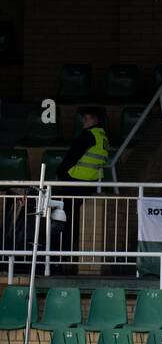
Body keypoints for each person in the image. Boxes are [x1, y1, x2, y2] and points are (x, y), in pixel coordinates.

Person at [53, 106, 110, 262]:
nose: (83, 121)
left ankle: (60, 255)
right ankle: (66, 254)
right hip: (89, 183)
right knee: (73, 218)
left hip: (75, 181)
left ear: (95, 120)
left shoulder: (89, 135)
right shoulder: (102, 136)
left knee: (64, 218)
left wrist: (60, 173)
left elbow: (72, 156)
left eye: (87, 118)